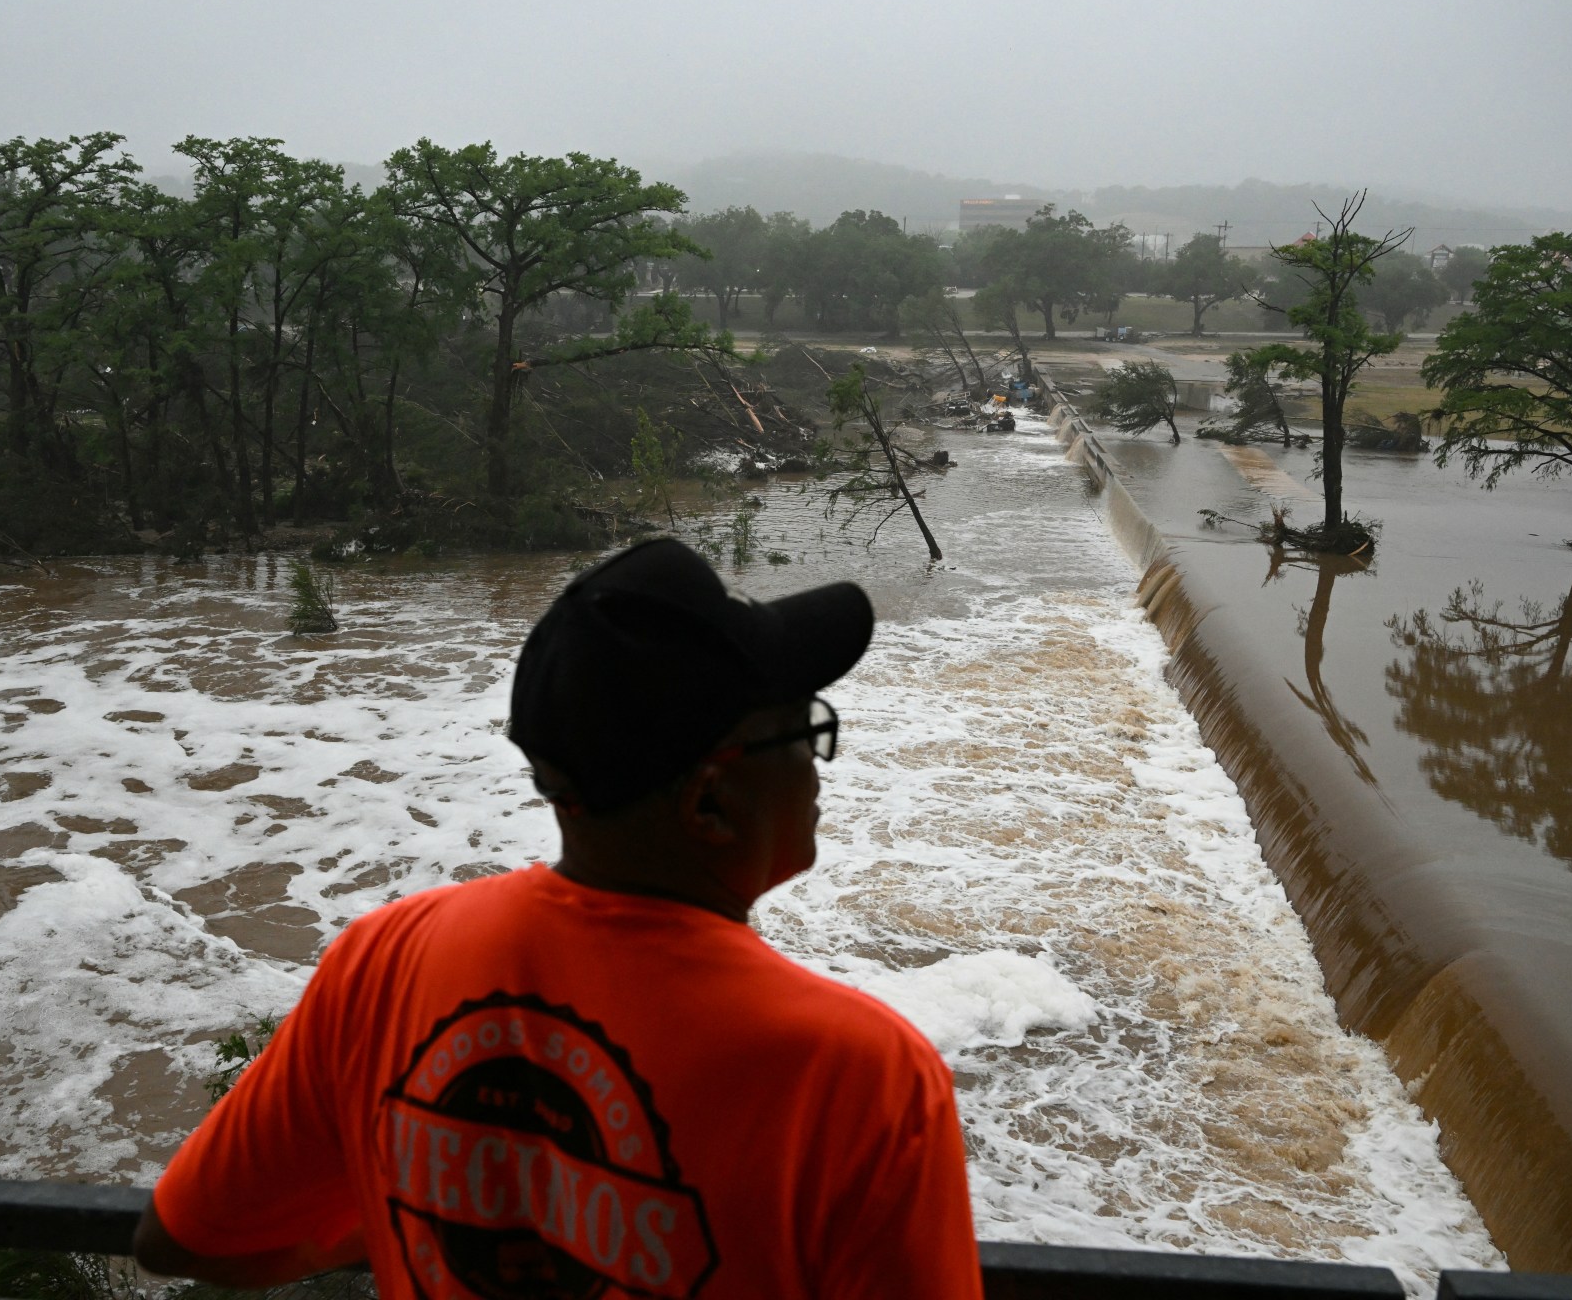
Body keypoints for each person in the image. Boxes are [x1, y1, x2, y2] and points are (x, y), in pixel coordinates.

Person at [134, 538, 983, 1299]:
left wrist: (402, 1225)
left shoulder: (384, 958)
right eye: (804, 730)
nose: (816, 767)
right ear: (712, 801)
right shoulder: (856, 1076)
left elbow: (186, 1239)